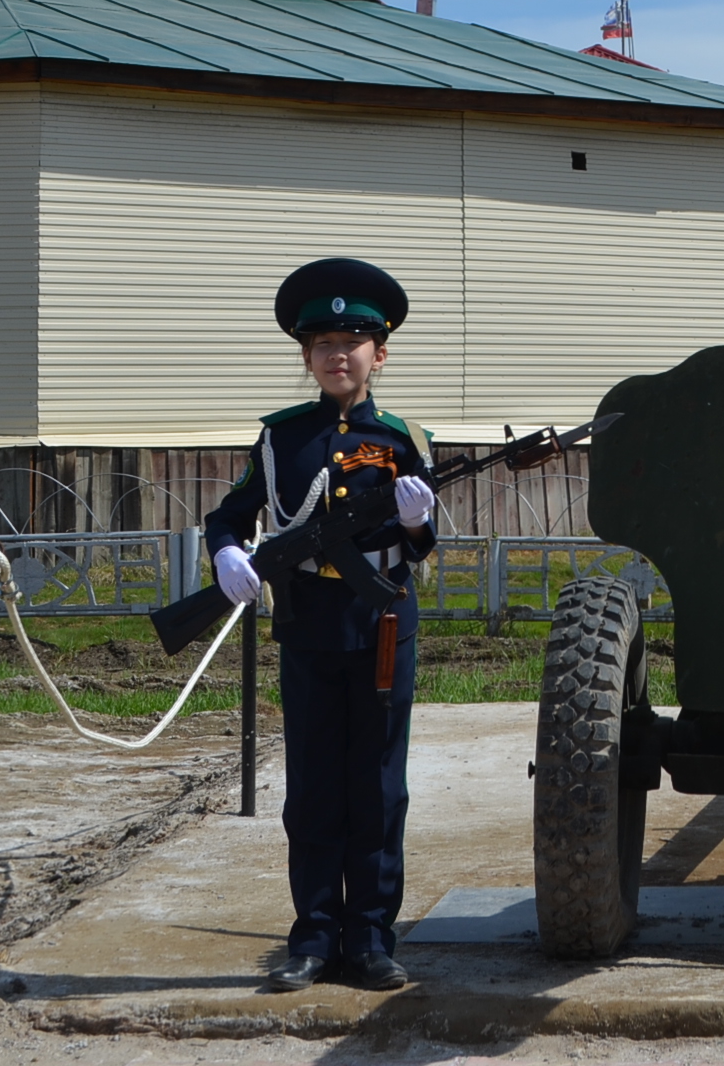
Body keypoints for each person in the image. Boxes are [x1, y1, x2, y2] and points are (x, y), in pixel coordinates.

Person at [205, 257, 438, 993]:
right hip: (308, 625)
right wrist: (227, 555)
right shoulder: (281, 440)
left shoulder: (402, 437)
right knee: (312, 785)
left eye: (355, 341)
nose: (340, 355)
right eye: (324, 344)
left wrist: (417, 520)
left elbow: (426, 540)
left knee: (377, 783)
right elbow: (230, 514)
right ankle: (312, 936)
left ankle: (370, 938)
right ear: (306, 357)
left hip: (383, 625)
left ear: (381, 352)